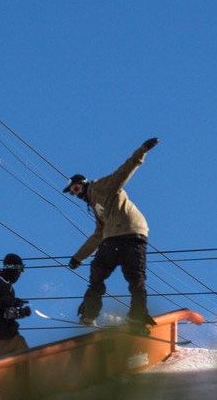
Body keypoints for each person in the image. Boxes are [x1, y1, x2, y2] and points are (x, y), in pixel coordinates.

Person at [64, 137, 160, 332]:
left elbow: (123, 172)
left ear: (83, 184)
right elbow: (98, 235)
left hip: (128, 234)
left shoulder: (100, 187)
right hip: (122, 236)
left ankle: (121, 315)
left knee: (123, 274)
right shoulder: (96, 208)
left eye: (75, 189)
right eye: (72, 193)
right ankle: (119, 315)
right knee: (117, 274)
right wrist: (78, 258)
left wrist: (142, 151)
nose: (75, 194)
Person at [0, 253, 31, 359]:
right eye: (18, 272)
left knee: (26, 355)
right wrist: (9, 301)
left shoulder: (10, 289)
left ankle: (26, 375)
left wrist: (20, 313)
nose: (19, 275)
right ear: (11, 270)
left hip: (10, 336)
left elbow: (5, 313)